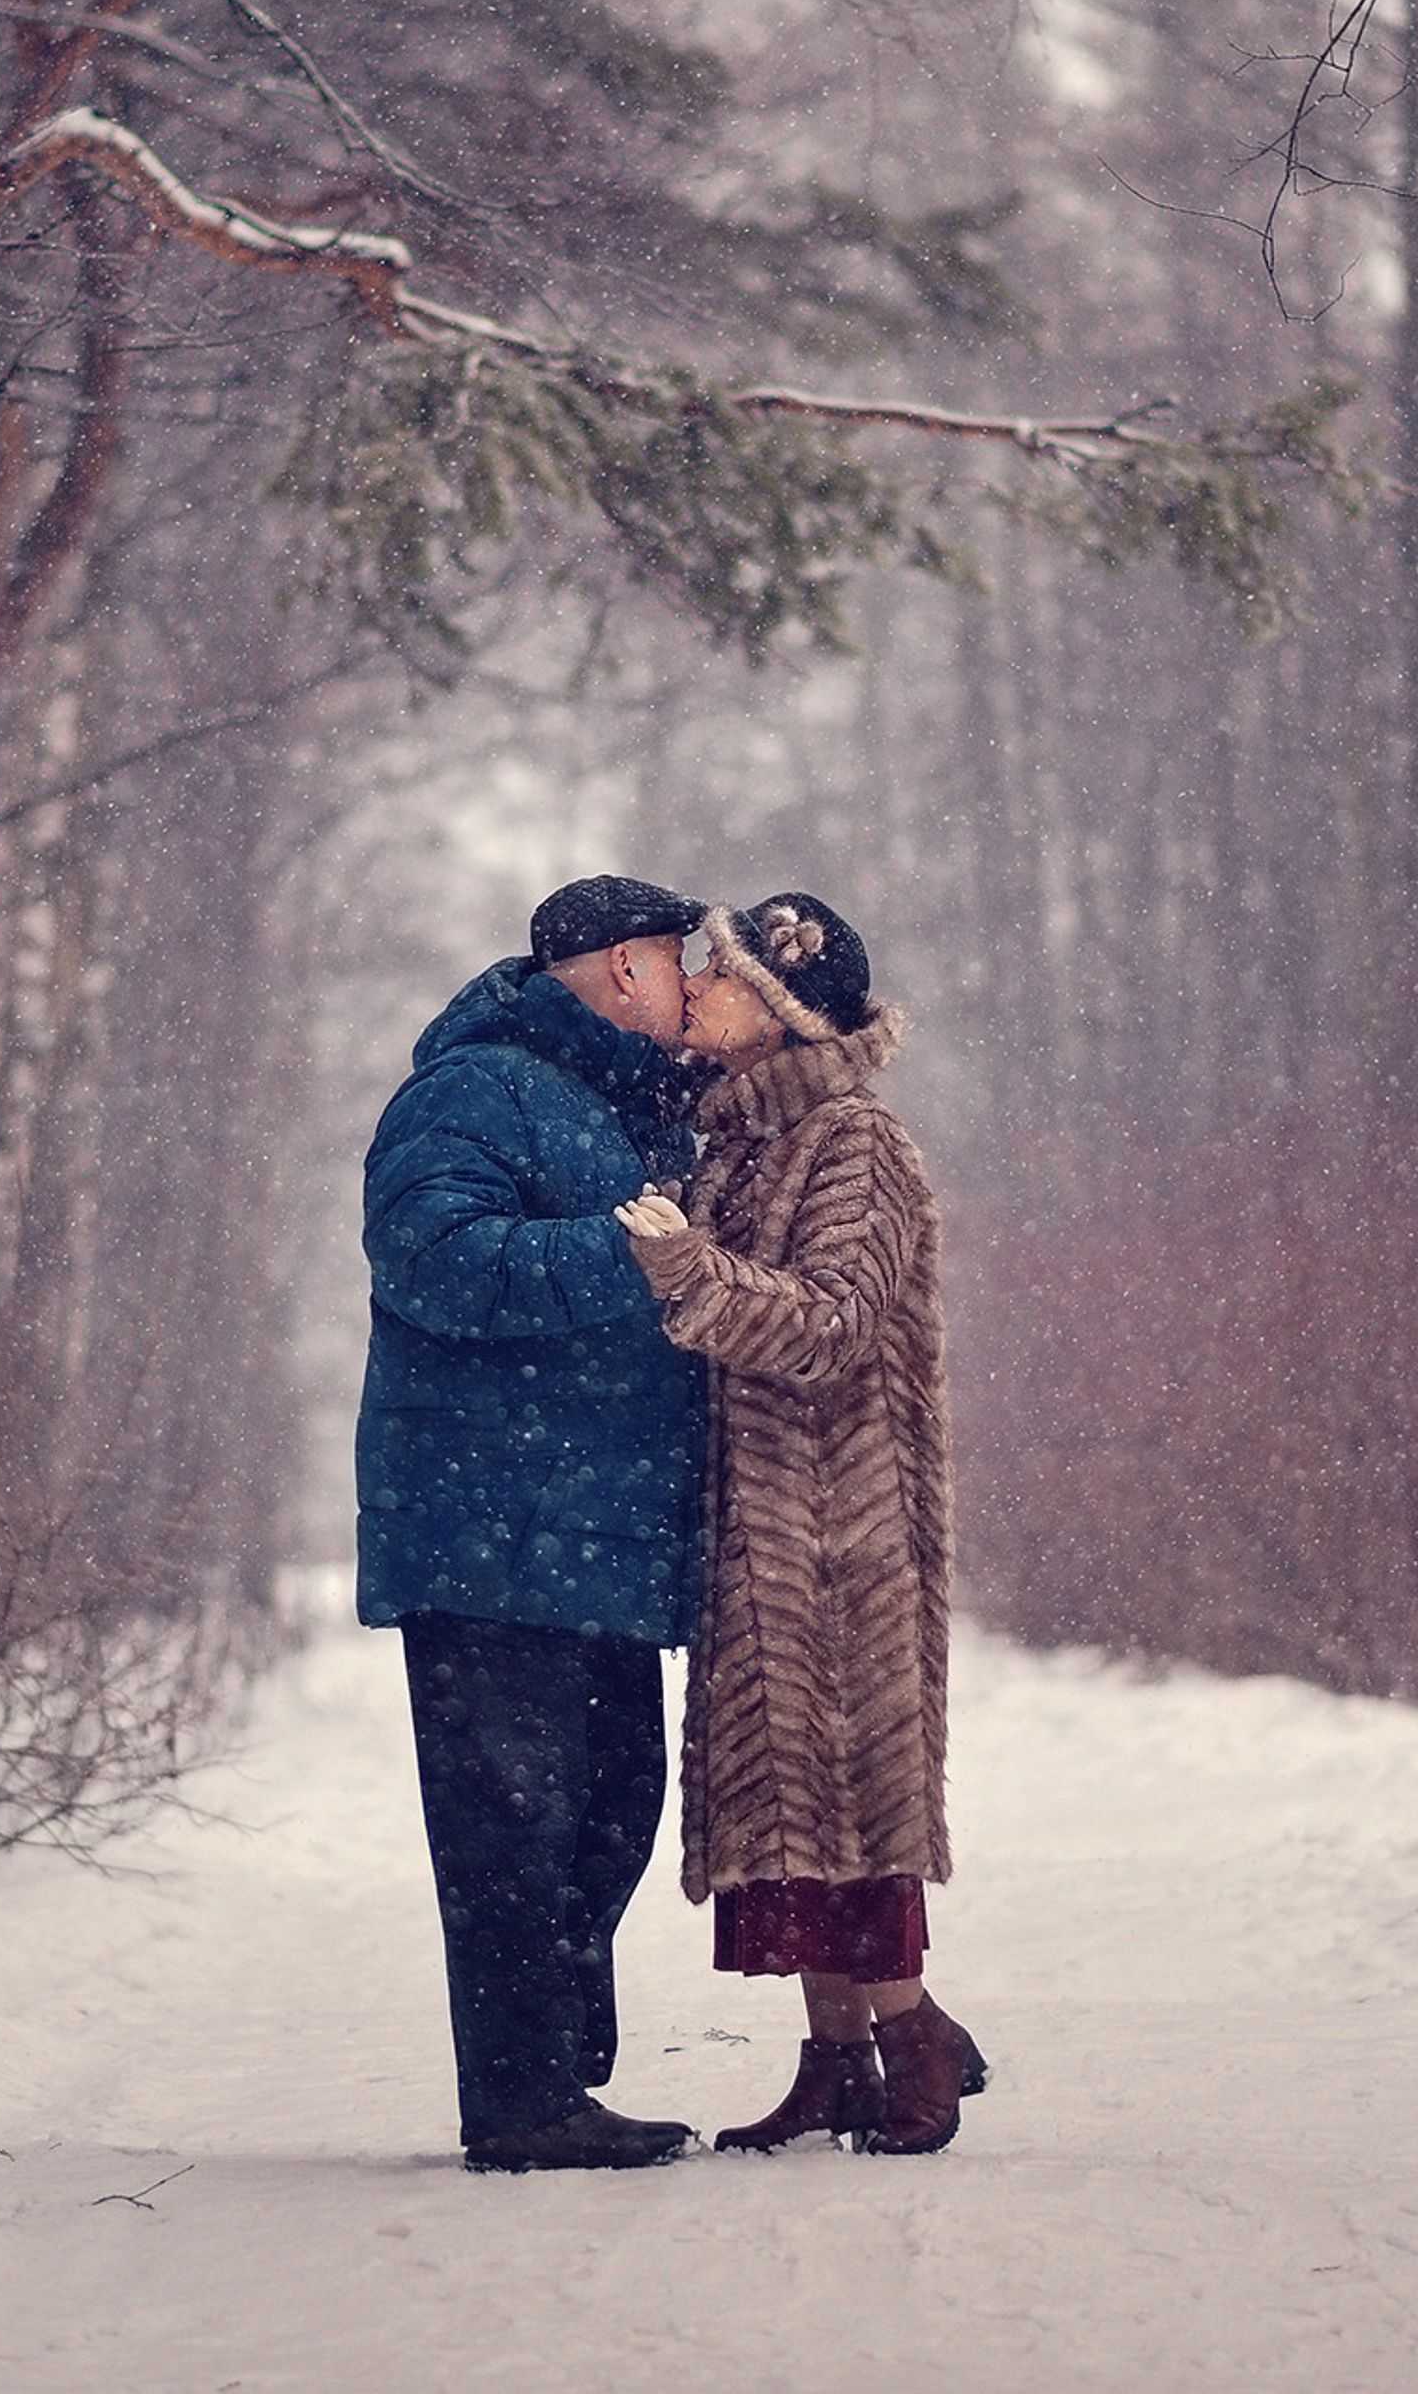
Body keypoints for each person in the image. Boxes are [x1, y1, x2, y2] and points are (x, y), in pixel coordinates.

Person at [617, 892, 987, 2155]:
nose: (698, 991)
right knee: (786, 1799)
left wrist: (688, 1274)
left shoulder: (854, 1143)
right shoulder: (737, 1143)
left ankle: (915, 2031)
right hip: (754, 1519)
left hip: (841, 1525)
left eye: (721, 977)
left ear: (777, 1017)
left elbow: (831, 1323)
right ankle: (833, 2058)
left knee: (846, 1784)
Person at [356, 874, 712, 2174]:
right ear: (623, 967)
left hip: (589, 1544)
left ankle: (555, 2069)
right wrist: (629, 1248)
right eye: (677, 961)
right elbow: (430, 1259)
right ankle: (521, 2104)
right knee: (511, 1828)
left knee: (613, 1807)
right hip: (492, 1536)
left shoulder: (619, 1108)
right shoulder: (472, 1090)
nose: (691, 986)